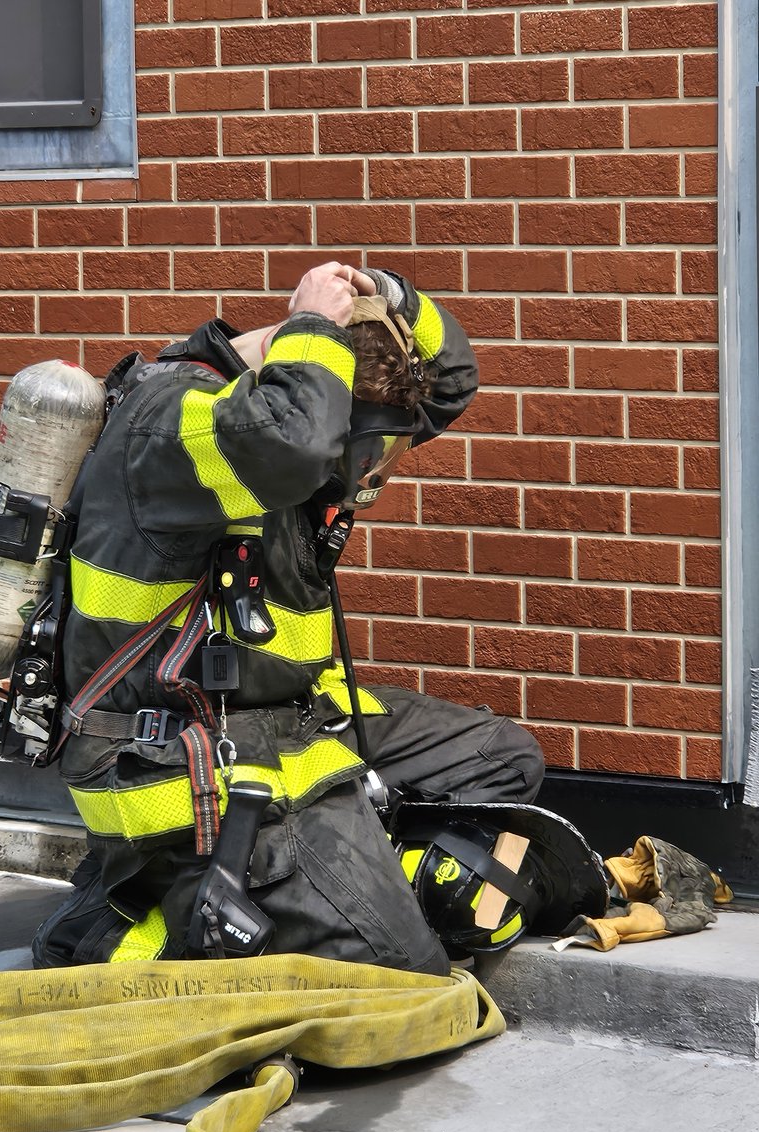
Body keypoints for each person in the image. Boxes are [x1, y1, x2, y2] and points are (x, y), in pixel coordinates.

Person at [32, 261, 545, 976]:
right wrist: (312, 323)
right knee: (405, 974)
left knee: (503, 759)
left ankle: (326, 890)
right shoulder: (177, 420)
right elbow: (295, 444)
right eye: (363, 452)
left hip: (290, 717)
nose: (369, 475)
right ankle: (114, 927)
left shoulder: (315, 422)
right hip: (188, 757)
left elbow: (451, 380)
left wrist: (385, 293)